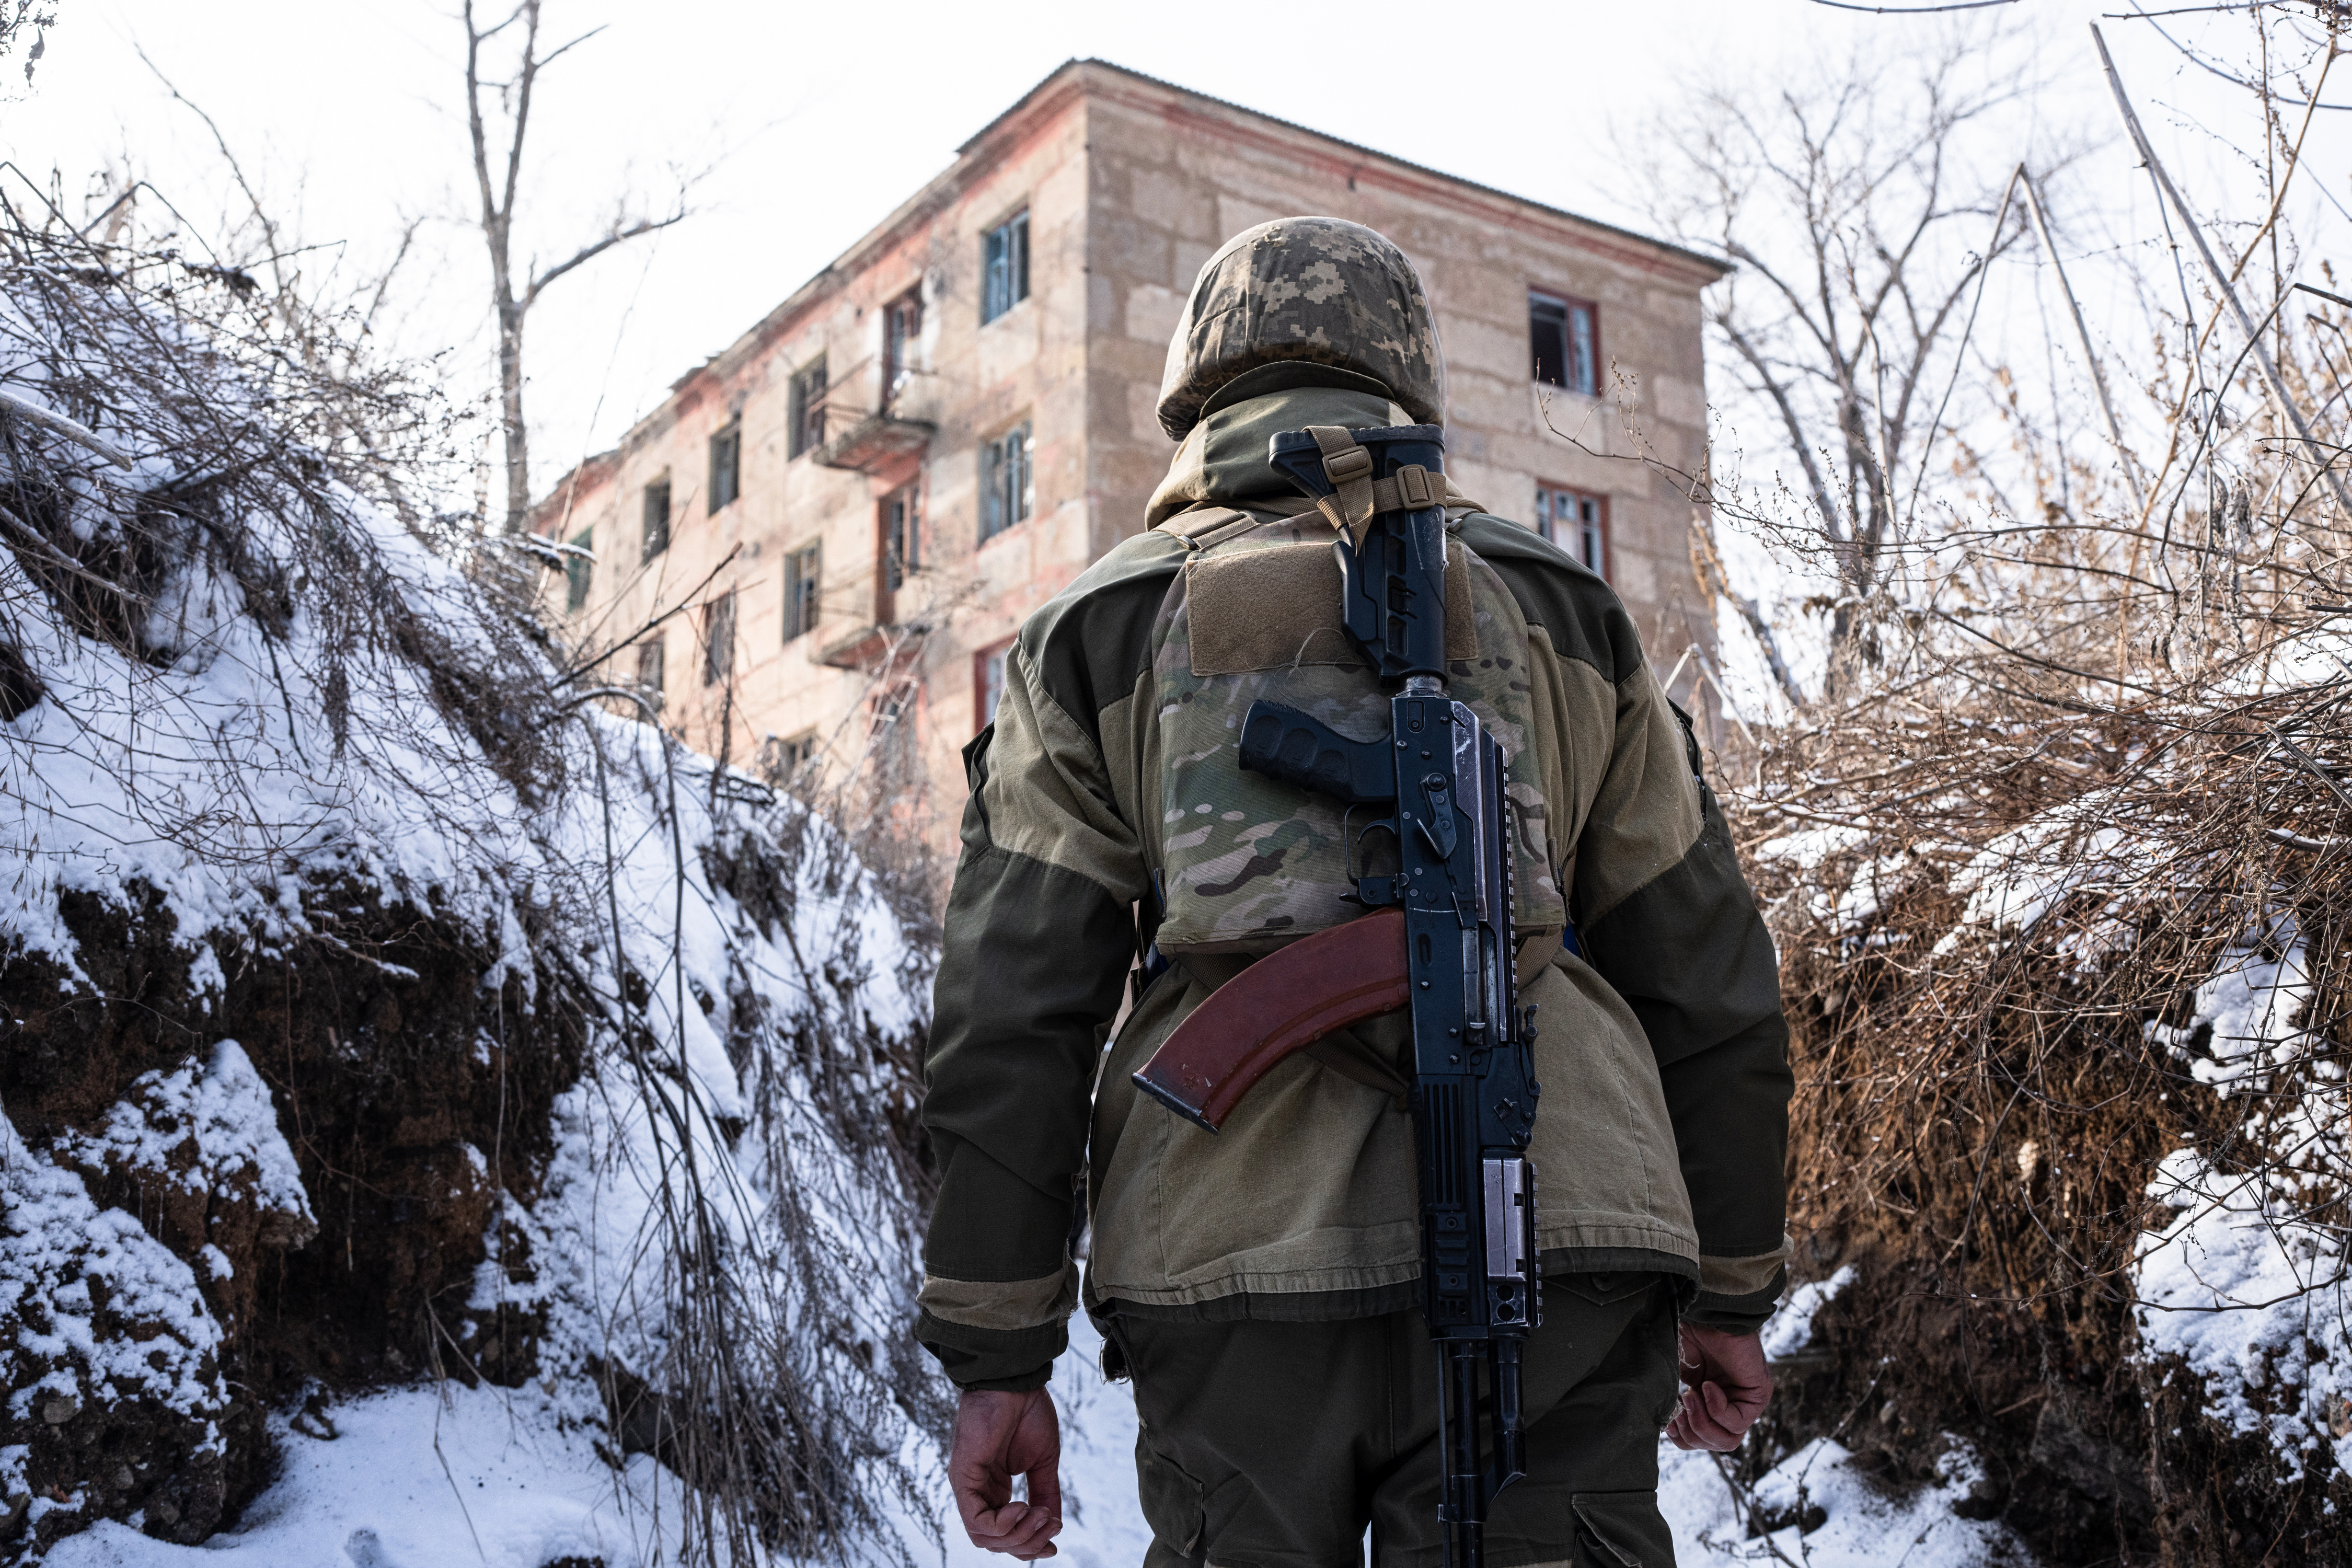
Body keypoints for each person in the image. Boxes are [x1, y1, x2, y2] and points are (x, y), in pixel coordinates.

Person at [917, 216, 1792, 1568]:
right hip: (1564, 1243)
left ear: (1199, 388)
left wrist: (997, 1348)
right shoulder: (1566, 614)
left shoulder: (1092, 633)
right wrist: (1729, 1286)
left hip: (1235, 1265)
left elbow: (1013, 1005)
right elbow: (1706, 976)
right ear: (1411, 380)